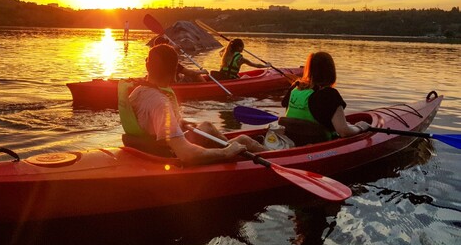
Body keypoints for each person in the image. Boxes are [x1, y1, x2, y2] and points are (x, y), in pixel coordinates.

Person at [122, 44, 266, 165]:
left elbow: (148, 123)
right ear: (174, 72)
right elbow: (186, 155)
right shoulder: (160, 103)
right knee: (245, 139)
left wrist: (178, 122)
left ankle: (233, 146)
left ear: (148, 66)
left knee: (207, 126)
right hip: (169, 154)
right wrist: (226, 152)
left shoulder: (137, 92)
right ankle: (279, 156)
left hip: (150, 147)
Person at [281, 51, 370, 143]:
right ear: (331, 71)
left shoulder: (295, 87)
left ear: (309, 69)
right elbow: (343, 132)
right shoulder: (329, 95)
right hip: (317, 145)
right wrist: (360, 127)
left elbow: (289, 109)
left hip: (290, 141)